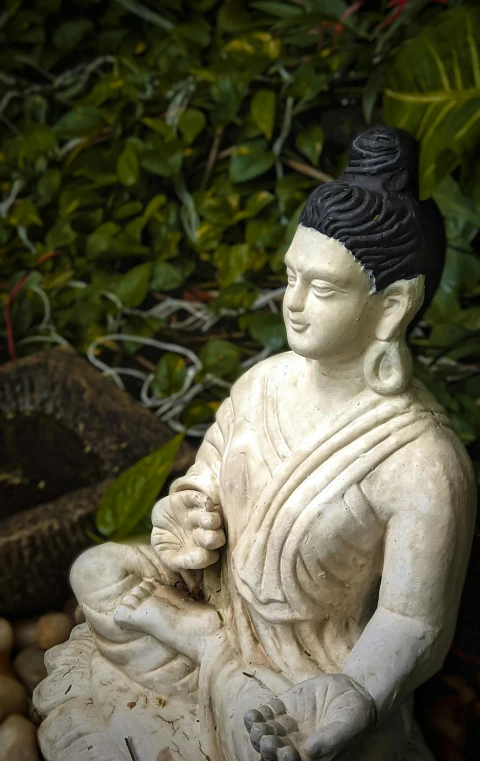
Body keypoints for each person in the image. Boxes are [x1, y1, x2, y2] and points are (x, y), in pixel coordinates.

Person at [34, 127, 475, 761]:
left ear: (391, 307)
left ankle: (204, 652)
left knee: (270, 737)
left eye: (322, 289)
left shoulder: (423, 462)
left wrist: (356, 688)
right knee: (97, 570)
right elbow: (206, 477)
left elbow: (413, 622)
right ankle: (203, 641)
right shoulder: (266, 382)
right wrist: (181, 515)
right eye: (291, 277)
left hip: (308, 663)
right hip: (218, 600)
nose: (292, 304)